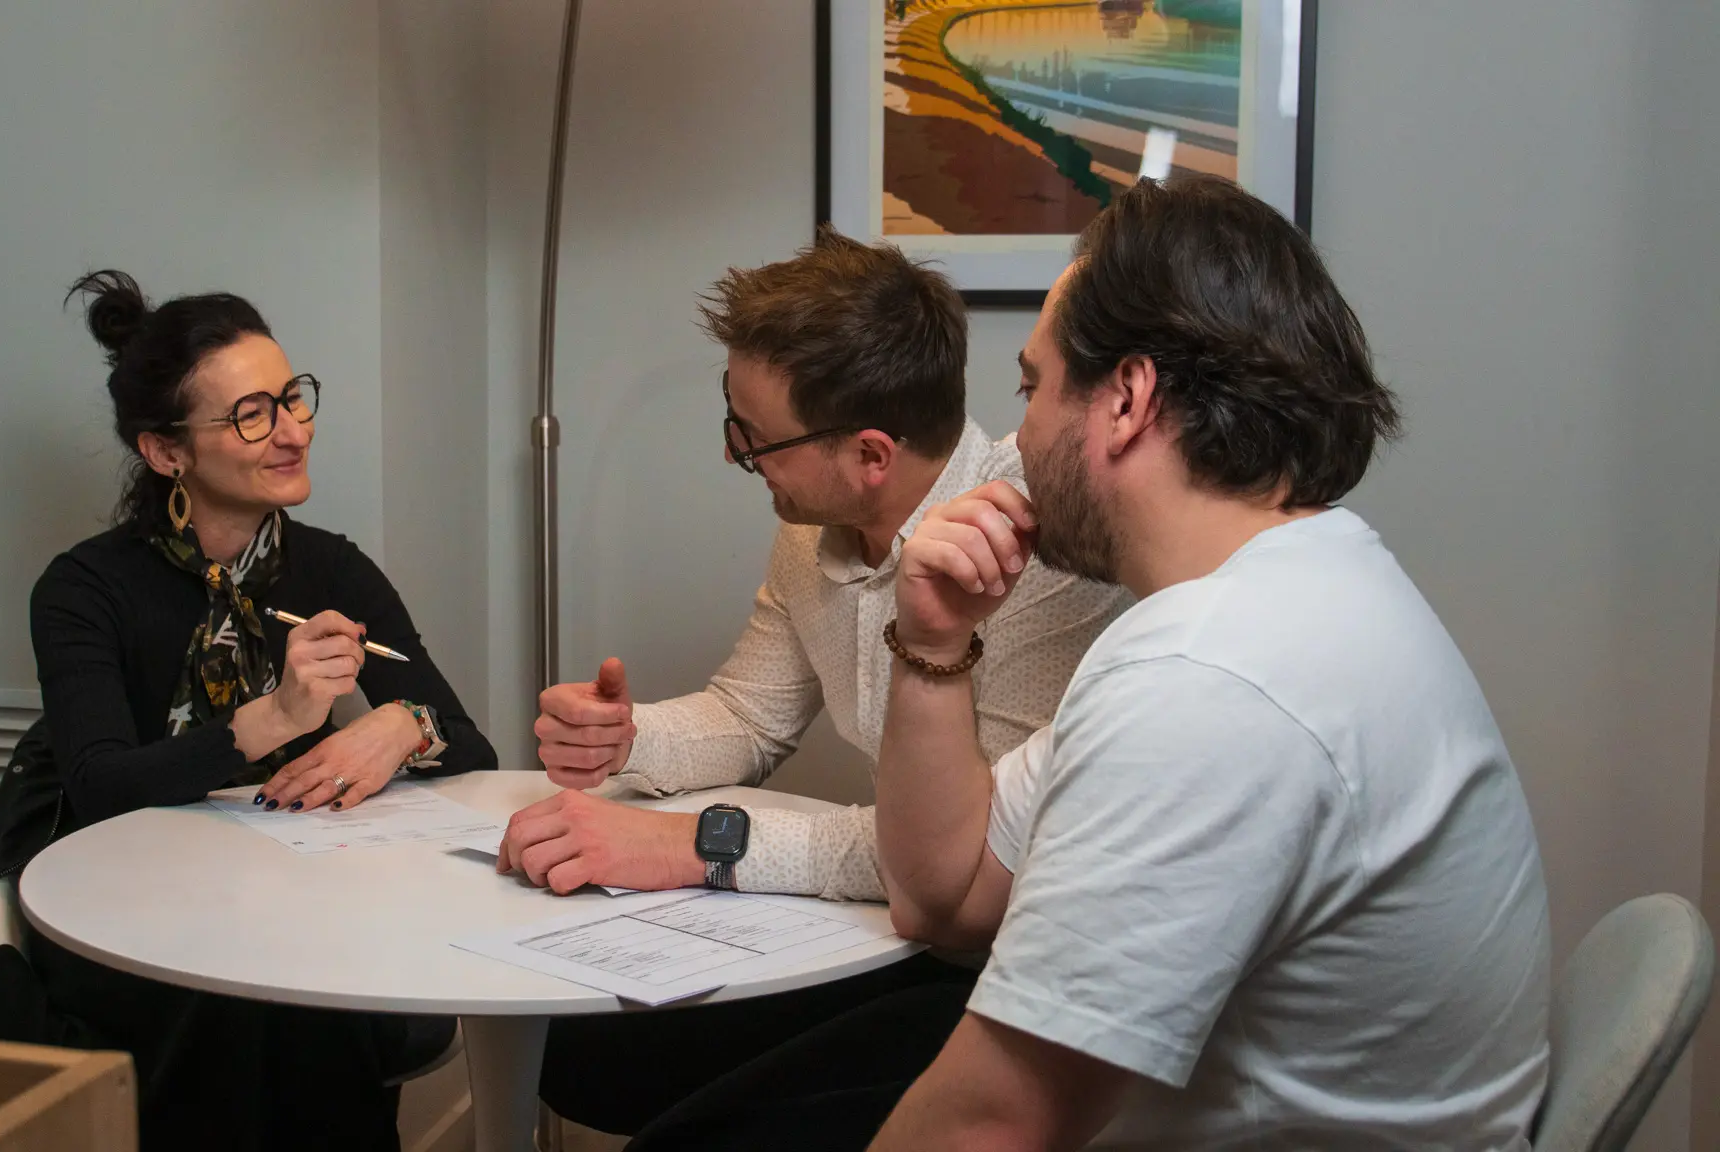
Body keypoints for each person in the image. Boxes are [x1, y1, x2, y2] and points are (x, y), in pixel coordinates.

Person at [626, 176, 1552, 1152]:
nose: (1015, 437)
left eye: (1031, 387)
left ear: (1124, 399)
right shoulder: (1288, 595)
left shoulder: (1209, 678)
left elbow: (992, 1125)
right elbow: (942, 895)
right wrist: (934, 644)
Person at [505, 228, 1130, 1135]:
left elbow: (966, 860)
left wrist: (696, 845)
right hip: (896, 931)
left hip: (1011, 970)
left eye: (755, 439)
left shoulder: (1039, 559)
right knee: (585, 1058)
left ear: (870, 455)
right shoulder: (813, 530)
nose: (735, 456)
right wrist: (630, 737)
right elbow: (749, 716)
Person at [24, 270, 497, 1151]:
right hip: (129, 918)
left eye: (291, 398)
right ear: (167, 454)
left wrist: (403, 726)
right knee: (258, 1006)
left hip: (296, 909)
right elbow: (96, 786)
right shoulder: (85, 590)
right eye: (252, 415)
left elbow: (471, 747)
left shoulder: (331, 570)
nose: (293, 431)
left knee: (310, 989)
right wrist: (270, 720)